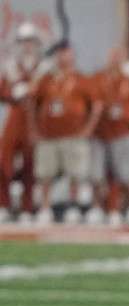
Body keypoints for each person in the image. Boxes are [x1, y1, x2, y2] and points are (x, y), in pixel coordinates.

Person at [28, 43, 101, 225]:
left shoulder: (82, 79)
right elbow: (32, 103)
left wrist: (88, 128)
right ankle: (45, 208)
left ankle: (73, 206)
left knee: (75, 173)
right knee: (45, 174)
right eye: (60, 54)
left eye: (66, 54)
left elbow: (96, 106)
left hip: (73, 135)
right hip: (49, 135)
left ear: (72, 56)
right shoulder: (46, 79)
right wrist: (34, 129)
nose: (63, 58)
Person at [89, 45, 129, 226]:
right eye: (112, 55)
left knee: (127, 175)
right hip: (100, 133)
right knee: (97, 174)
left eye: (119, 56)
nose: (115, 60)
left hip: (123, 133)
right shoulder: (97, 79)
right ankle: (97, 208)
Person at [0, 23, 46, 222]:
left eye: (30, 42)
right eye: (23, 42)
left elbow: (48, 93)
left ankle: (27, 208)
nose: (27, 46)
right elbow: (2, 92)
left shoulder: (43, 68)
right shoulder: (10, 67)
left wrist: (33, 91)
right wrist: (12, 92)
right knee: (3, 162)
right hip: (14, 116)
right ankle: (3, 204)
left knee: (30, 164)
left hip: (33, 118)